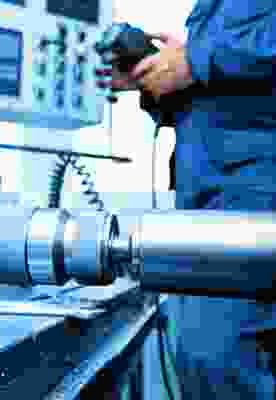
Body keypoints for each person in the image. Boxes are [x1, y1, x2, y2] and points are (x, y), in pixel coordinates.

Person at [107, 1, 276, 398]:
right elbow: (228, 102)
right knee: (202, 360)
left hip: (252, 199)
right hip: (209, 201)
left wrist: (194, 59)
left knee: (216, 357)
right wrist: (153, 78)